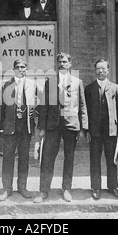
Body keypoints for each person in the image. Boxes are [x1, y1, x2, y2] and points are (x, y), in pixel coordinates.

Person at [33, 52, 88, 203]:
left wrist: (83, 127)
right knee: (47, 158)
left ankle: (67, 189)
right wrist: (42, 127)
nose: (62, 64)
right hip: (53, 125)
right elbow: (44, 106)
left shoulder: (77, 82)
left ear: (70, 64)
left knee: (69, 158)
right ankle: (44, 191)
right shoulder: (50, 81)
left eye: (65, 62)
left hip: (71, 124)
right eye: (60, 62)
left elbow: (82, 106)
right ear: (57, 64)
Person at [0, 59, 39, 201]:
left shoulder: (32, 85)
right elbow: (1, 108)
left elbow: (40, 105)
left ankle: (22, 187)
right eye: (18, 67)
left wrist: (35, 114)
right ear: (14, 69)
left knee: (24, 157)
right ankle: (6, 189)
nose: (21, 69)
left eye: (23, 67)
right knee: (8, 157)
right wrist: (1, 127)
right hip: (10, 125)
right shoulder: (7, 85)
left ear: (26, 69)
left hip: (25, 126)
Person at [84, 59, 118, 200]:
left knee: (111, 160)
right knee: (95, 159)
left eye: (103, 69)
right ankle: (96, 187)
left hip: (111, 130)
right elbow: (85, 111)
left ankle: (113, 186)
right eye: (98, 69)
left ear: (108, 70)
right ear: (95, 71)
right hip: (95, 131)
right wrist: (86, 130)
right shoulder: (89, 89)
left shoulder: (115, 87)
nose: (101, 71)